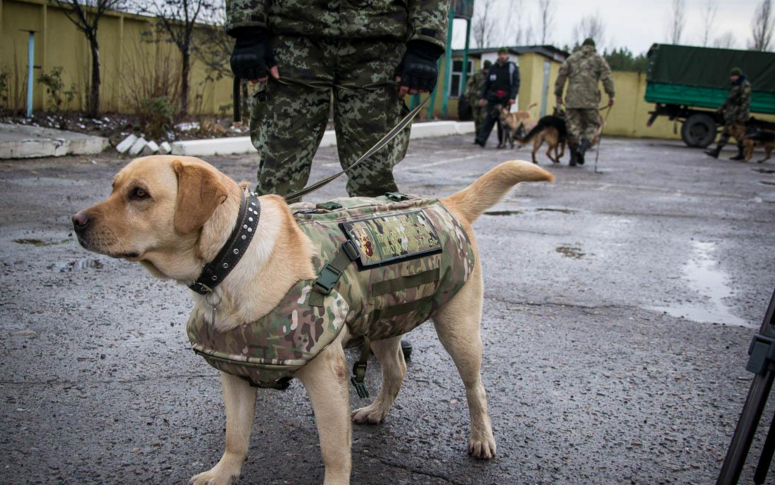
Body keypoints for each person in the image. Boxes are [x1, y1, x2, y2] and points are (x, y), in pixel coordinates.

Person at [227, 0, 449, 198]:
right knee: (278, 180)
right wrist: (248, 29)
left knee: (375, 181)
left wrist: (425, 43)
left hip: (379, 43)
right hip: (293, 39)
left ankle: (373, 242)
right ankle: (272, 243)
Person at [554, 38, 615, 166]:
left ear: (583, 46)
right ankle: (582, 148)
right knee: (593, 125)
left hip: (572, 99)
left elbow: (561, 76)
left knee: (572, 127)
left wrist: (558, 94)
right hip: (590, 100)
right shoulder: (599, 59)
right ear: (593, 47)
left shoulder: (571, 58)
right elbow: (607, 77)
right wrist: (611, 95)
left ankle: (573, 158)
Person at [475, 48, 520, 148]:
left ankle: (502, 142)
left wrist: (512, 97)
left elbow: (516, 84)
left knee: (503, 121)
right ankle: (481, 139)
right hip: (493, 97)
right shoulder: (493, 68)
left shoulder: (512, 68)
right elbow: (486, 84)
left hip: (505, 99)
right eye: (500, 54)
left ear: (507, 55)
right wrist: (483, 96)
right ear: (498, 55)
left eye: (504, 54)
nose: (502, 56)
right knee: (489, 118)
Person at [705, 67, 752, 160]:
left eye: (734, 76)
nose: (732, 78)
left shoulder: (745, 85)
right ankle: (721, 151)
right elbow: (730, 99)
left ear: (738, 76)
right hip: (731, 113)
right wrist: (721, 108)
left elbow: (745, 102)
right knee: (728, 132)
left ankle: (719, 151)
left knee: (736, 133)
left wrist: (741, 116)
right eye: (731, 76)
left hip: (738, 114)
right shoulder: (735, 85)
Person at [466, 60, 491, 142]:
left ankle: (481, 137)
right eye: (486, 69)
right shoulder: (477, 74)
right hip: (475, 99)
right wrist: (468, 93)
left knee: (483, 119)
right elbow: (469, 83)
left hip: (485, 100)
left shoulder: (491, 75)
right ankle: (477, 136)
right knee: (476, 119)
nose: (487, 71)